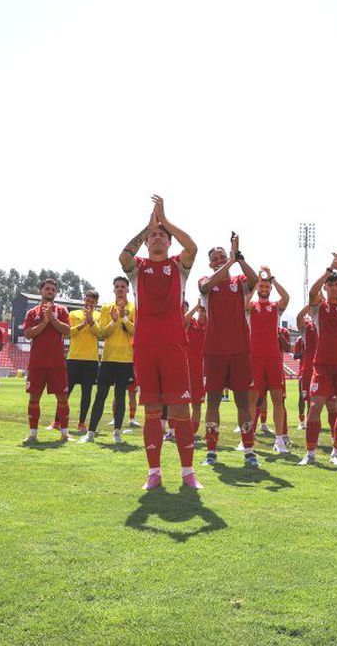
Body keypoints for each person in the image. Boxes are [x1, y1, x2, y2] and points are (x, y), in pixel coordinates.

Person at [120, 195, 202, 490]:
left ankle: (188, 473)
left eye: (161, 236)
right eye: (152, 236)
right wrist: (148, 226)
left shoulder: (179, 266)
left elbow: (192, 247)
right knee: (152, 408)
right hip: (144, 346)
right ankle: (153, 473)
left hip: (174, 346)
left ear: (169, 243)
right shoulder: (138, 267)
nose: (156, 239)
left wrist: (165, 221)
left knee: (181, 410)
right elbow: (123, 257)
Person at [198, 233, 260, 468]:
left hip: (239, 351)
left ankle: (249, 452)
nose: (219, 260)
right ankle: (211, 452)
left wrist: (239, 259)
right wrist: (229, 261)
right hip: (214, 350)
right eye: (215, 258)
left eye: (222, 257)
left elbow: (254, 280)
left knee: (243, 402)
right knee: (212, 401)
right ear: (210, 263)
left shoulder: (238, 281)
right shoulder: (206, 280)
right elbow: (206, 286)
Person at [298, 253, 337, 467]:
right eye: (330, 284)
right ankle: (310, 453)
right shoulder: (318, 308)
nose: (334, 287)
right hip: (322, 366)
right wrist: (328, 270)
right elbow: (312, 292)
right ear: (326, 288)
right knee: (315, 406)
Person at [83, 277, 136, 445]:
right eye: (117, 286)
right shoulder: (106, 307)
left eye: (123, 286)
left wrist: (124, 318)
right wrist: (113, 321)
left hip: (126, 359)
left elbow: (136, 331)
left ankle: (117, 433)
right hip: (108, 359)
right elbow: (102, 333)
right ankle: (90, 433)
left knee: (120, 397)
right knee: (100, 396)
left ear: (127, 289)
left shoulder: (134, 307)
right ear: (113, 289)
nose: (120, 289)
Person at [22, 279, 71, 444]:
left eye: (53, 289)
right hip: (37, 363)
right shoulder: (32, 313)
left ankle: (65, 434)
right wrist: (44, 321)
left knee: (63, 399)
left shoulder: (62, 310)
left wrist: (53, 319)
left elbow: (67, 331)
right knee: (34, 398)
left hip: (57, 363)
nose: (50, 291)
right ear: (40, 291)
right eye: (47, 289)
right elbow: (28, 334)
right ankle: (32, 434)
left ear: (56, 293)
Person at [247, 266, 291, 452]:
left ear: (270, 288)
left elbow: (286, 298)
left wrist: (272, 279)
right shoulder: (251, 306)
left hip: (273, 358)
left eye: (267, 286)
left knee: (277, 400)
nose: (264, 288)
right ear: (257, 288)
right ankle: (246, 439)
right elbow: (243, 302)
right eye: (261, 286)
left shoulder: (275, 307)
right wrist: (256, 280)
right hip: (254, 357)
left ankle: (279, 440)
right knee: (251, 401)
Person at [65, 289, 101, 433]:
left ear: (96, 302)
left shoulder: (99, 315)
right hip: (73, 357)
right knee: (66, 391)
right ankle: (57, 420)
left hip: (91, 359)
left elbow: (100, 333)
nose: (89, 304)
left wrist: (91, 321)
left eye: (93, 302)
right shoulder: (74, 314)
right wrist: (83, 324)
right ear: (84, 300)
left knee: (87, 393)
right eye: (87, 300)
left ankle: (81, 423)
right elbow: (68, 332)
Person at [183, 300, 207, 436]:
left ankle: (192, 432)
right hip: (186, 369)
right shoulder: (192, 323)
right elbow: (183, 320)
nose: (203, 312)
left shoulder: (212, 325)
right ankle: (176, 430)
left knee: (197, 403)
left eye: (205, 310)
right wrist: (197, 305)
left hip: (201, 371)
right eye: (201, 310)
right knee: (182, 402)